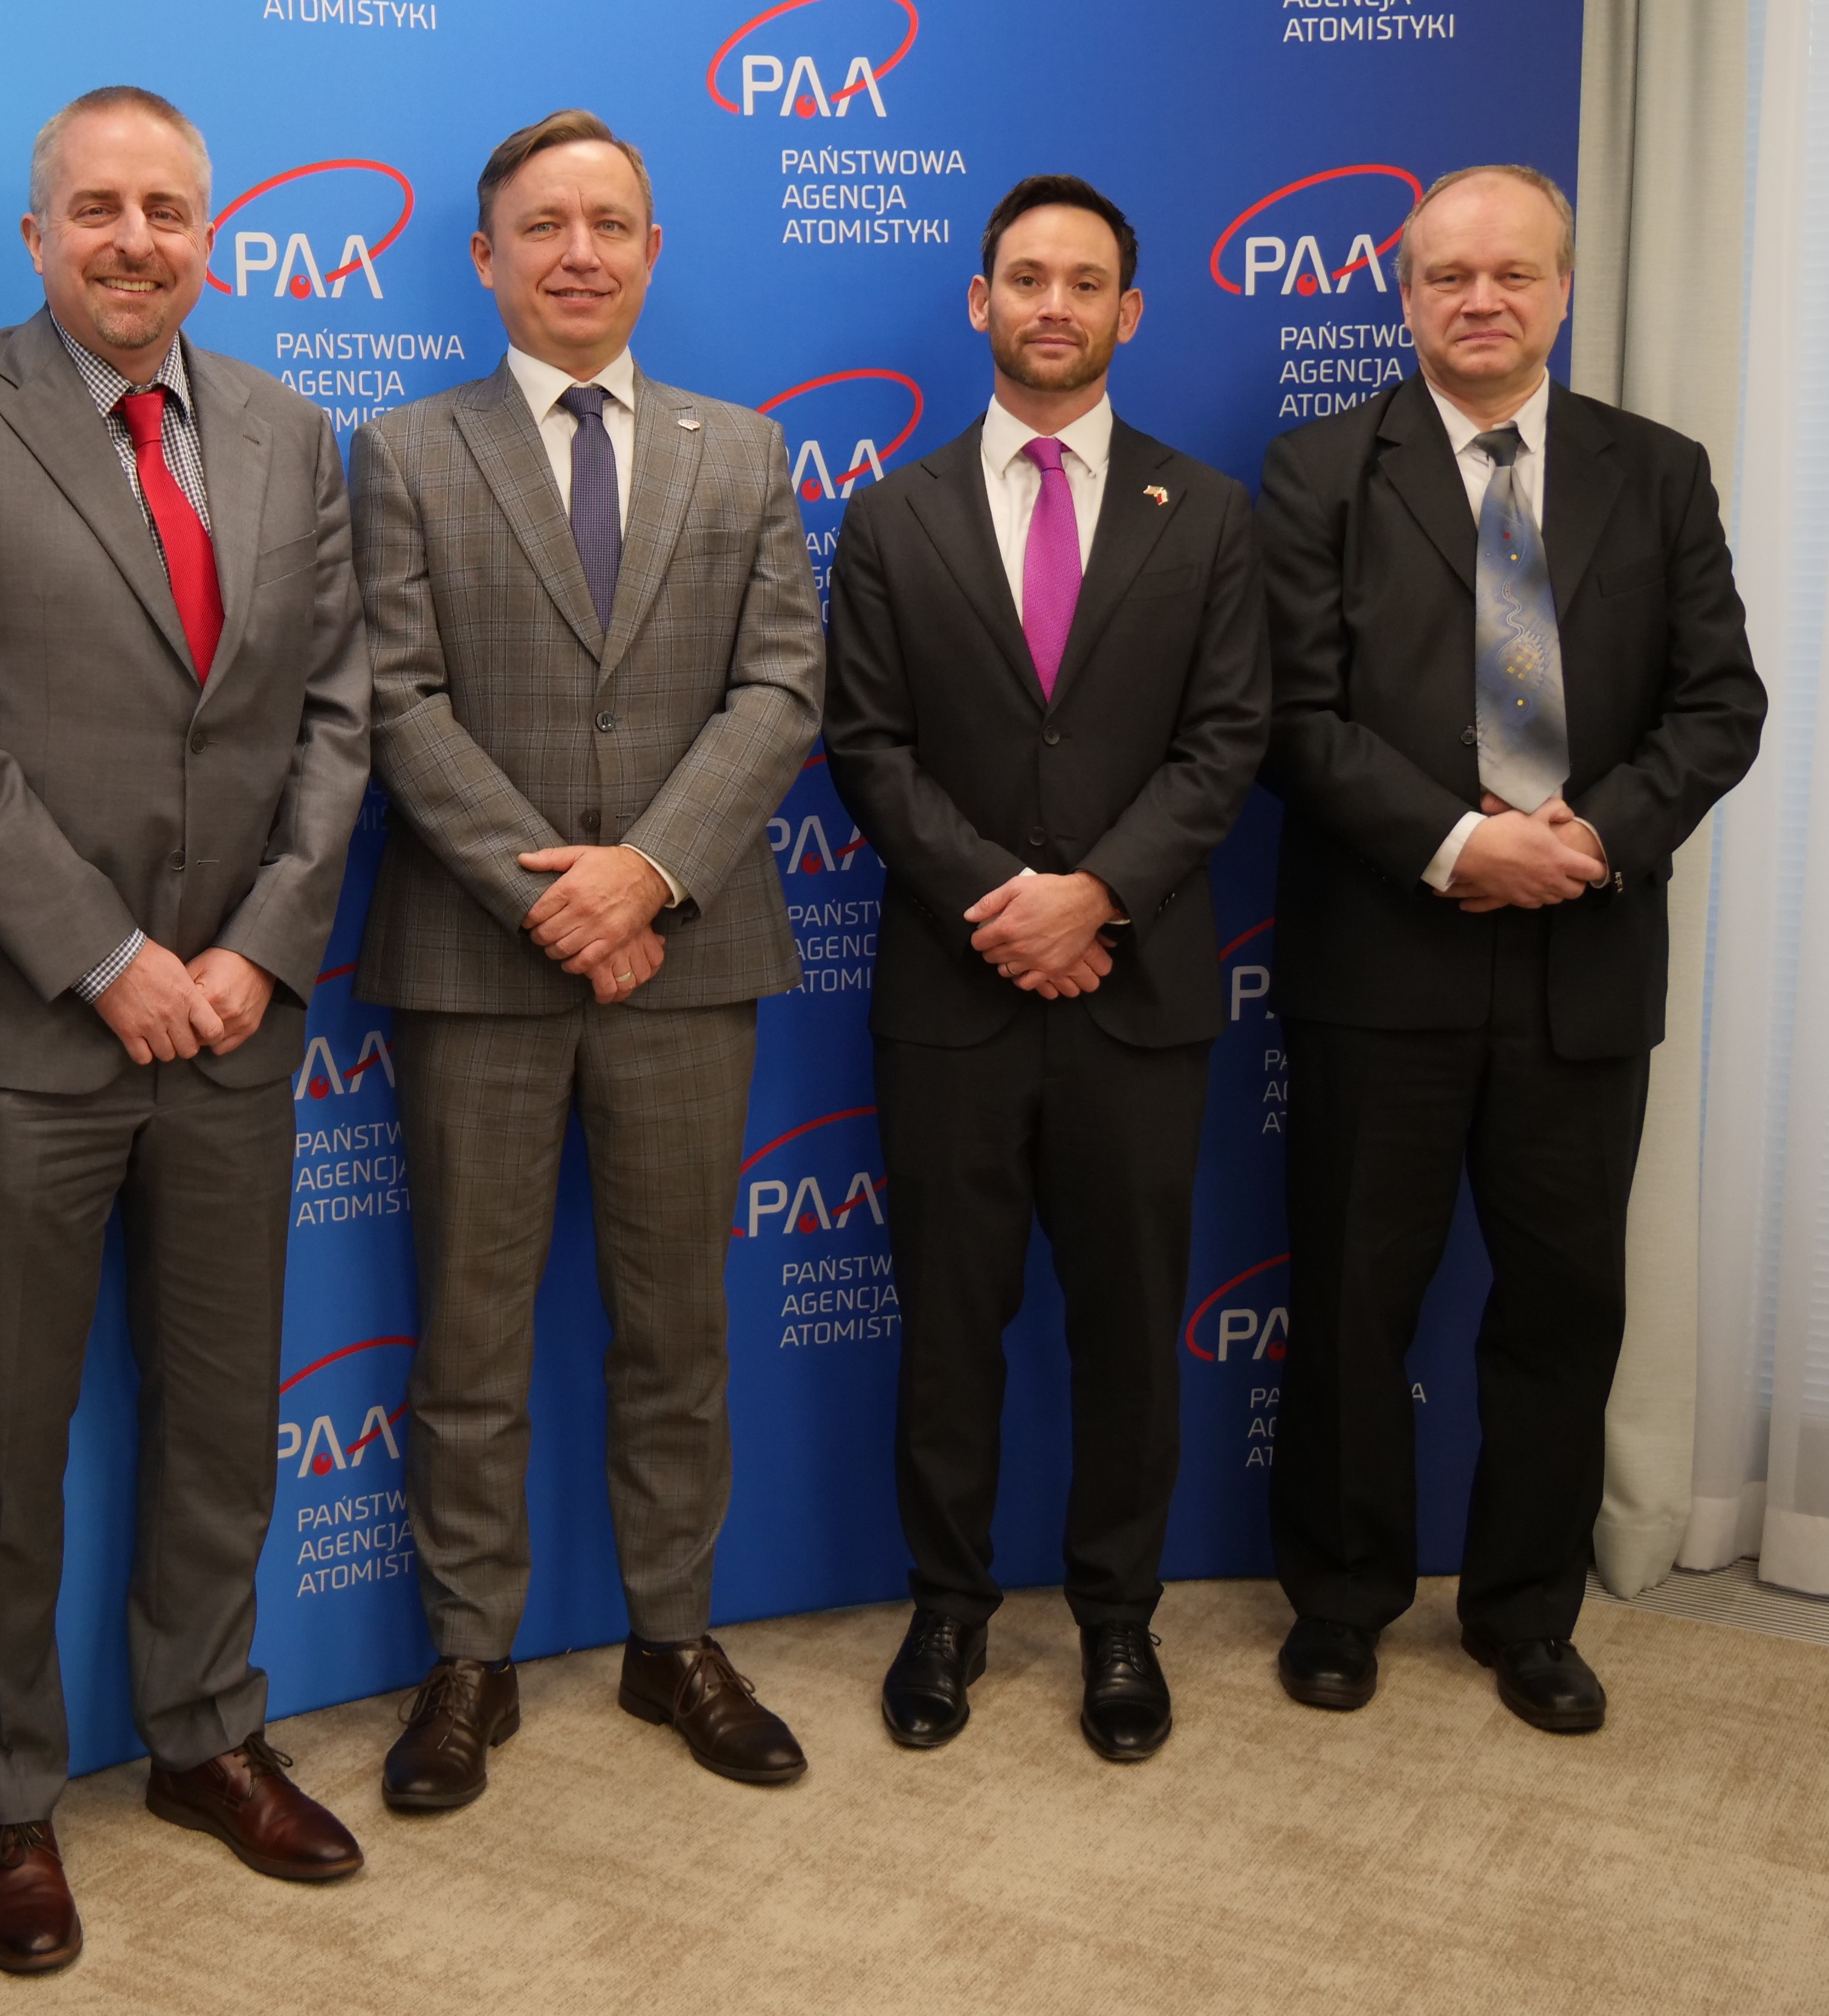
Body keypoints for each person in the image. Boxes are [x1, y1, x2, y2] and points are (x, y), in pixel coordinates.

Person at [0, 85, 372, 1975]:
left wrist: (256, 949)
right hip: (36, 1030)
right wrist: (106, 956)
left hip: (238, 1020)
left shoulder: (290, 431)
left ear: (210, 237)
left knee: (223, 1419)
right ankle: (8, 1804)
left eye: (166, 210)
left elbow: (338, 714)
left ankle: (205, 1734)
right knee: (11, 1444)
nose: (133, 240)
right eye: (97, 209)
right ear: (37, 235)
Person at [349, 109, 823, 1812]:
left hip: (687, 960)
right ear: (487, 259)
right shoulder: (403, 452)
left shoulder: (743, 453)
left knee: (677, 1332)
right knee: (469, 1341)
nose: (579, 254)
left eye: (610, 223)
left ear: (652, 250)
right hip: (478, 969)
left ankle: (672, 1639)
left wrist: (649, 876)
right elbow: (394, 696)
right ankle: (468, 1659)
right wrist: (553, 895)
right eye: (544, 226)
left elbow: (781, 688)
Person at [1260, 164, 1763, 1732]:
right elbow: (1293, 718)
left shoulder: (1656, 472)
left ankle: (1528, 1613)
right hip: (1378, 966)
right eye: (1449, 275)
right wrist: (1461, 844)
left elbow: (1720, 706)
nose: (1482, 300)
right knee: (1355, 1303)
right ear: (1403, 291)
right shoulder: (1318, 472)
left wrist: (1587, 839)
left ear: (1562, 286)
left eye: (1514, 274)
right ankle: (1342, 1599)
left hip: (1584, 969)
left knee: (1560, 1307)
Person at [823, 176, 1269, 1762]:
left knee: (1131, 1327)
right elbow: (867, 747)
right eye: (1026, 278)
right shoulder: (893, 517)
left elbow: (1227, 743)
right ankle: (948, 1607)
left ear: (1129, 312)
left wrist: (1097, 900)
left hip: (1137, 1001)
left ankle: (1118, 1620)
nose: (1054, 305)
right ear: (981, 301)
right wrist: (1007, 902)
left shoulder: (1206, 516)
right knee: (950, 1325)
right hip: (954, 998)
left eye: (1085, 282)